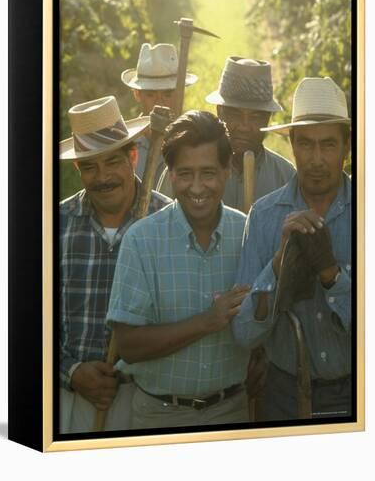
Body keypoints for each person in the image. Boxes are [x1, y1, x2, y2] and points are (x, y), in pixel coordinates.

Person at [106, 111, 251, 429]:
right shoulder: (142, 241)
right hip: (158, 416)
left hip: (232, 412)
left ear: (227, 171)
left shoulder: (248, 234)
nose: (197, 187)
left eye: (208, 173)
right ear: (169, 174)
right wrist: (208, 321)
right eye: (185, 173)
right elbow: (128, 347)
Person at [233, 77, 352, 421]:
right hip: (284, 394)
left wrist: (331, 274)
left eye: (328, 145)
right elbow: (244, 333)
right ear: (292, 146)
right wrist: (278, 262)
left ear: (347, 147)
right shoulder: (265, 217)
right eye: (306, 144)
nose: (316, 159)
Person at [59, 95, 170, 434]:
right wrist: (71, 371)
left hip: (147, 397)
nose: (103, 177)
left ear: (132, 157)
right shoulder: (55, 225)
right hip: (69, 398)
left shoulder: (166, 222)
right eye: (90, 166)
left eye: (112, 162)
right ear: (78, 169)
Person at [157, 56, 295, 211]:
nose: (244, 126)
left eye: (256, 117)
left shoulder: (285, 177)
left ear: (268, 119)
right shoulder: (183, 170)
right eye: (235, 114)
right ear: (219, 112)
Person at [122, 42, 197, 188]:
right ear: (137, 94)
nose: (160, 102)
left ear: (179, 94)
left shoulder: (194, 140)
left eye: (167, 94)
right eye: (151, 95)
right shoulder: (124, 144)